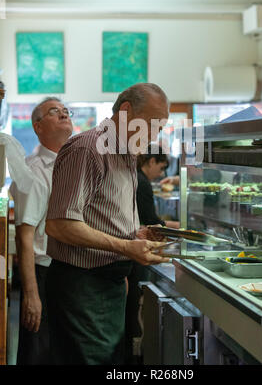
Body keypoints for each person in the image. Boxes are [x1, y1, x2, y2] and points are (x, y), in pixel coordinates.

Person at [45, 83, 170, 365]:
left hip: (109, 284)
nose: (153, 136)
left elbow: (100, 216)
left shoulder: (126, 154)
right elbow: (59, 224)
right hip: (81, 286)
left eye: (159, 129)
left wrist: (134, 234)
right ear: (126, 111)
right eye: (151, 125)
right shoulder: (88, 149)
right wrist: (126, 246)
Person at [9, 97, 73, 365]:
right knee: (39, 352)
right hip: (43, 275)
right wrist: (32, 295)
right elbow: (25, 238)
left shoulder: (70, 165)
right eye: (53, 111)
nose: (63, 114)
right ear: (37, 126)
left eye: (65, 110)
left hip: (67, 274)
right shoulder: (34, 171)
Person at [125, 145, 180, 363]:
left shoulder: (136, 178)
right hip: (137, 251)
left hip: (134, 247)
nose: (162, 173)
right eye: (161, 167)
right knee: (133, 308)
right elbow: (150, 221)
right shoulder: (142, 182)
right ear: (151, 162)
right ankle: (133, 354)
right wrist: (178, 227)